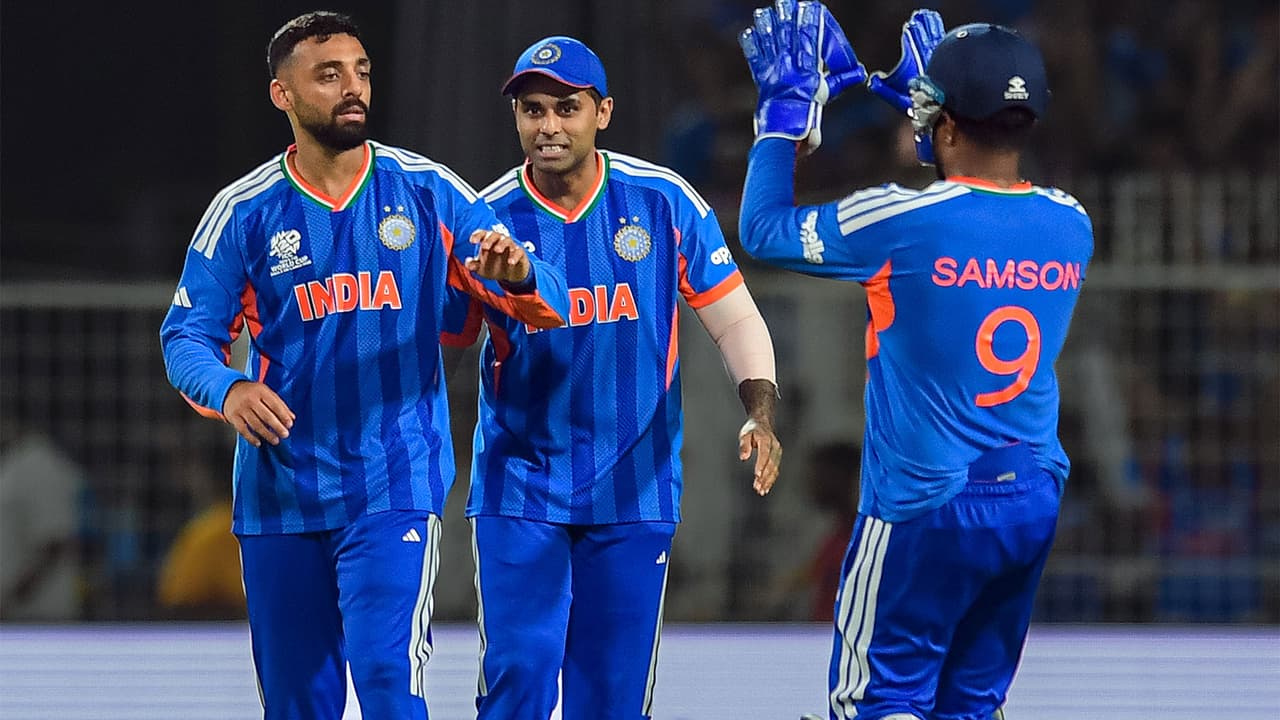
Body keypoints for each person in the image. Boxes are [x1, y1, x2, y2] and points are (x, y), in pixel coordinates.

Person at [159, 11, 569, 719]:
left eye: (362, 71)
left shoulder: (428, 191)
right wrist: (229, 388)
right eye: (329, 75)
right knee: (297, 702)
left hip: (394, 482)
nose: (354, 88)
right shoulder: (245, 211)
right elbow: (186, 336)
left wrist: (520, 275)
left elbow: (549, 300)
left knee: (387, 678)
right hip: (281, 494)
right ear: (282, 95)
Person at [736, 3, 1093, 719]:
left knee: (877, 701)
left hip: (922, 507)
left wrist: (779, 122)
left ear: (948, 126)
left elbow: (763, 231)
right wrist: (932, 108)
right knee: (970, 705)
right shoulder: (1070, 222)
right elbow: (983, 198)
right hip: (1029, 497)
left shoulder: (898, 221)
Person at [442, 35, 782, 719]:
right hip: (520, 485)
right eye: (533, 110)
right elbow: (444, 343)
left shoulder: (662, 202)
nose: (548, 127)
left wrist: (762, 410)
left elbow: (736, 319)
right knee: (518, 679)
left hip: (635, 486)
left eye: (567, 108)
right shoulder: (481, 218)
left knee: (613, 696)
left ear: (604, 112)